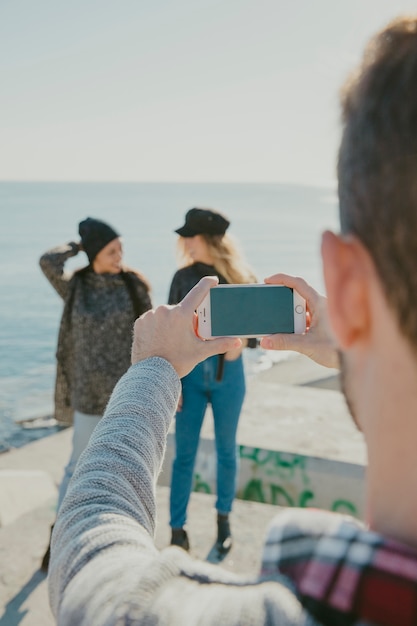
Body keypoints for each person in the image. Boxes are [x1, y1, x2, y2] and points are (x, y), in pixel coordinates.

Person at [48, 15, 417, 625]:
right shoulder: (195, 275)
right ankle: (190, 521)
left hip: (198, 379)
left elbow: (90, 545)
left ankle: (197, 522)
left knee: (200, 452)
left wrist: (151, 371)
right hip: (217, 378)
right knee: (203, 451)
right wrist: (348, 344)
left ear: (348, 288)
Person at [39, 217, 152, 571]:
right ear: (93, 255)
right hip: (88, 395)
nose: (119, 256)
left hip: (127, 393)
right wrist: (77, 246)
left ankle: (127, 543)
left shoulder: (133, 285)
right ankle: (59, 538)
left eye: (120, 249)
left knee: (133, 469)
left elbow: (150, 336)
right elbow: (47, 262)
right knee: (76, 468)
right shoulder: (76, 287)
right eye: (110, 250)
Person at [168, 207, 257, 553]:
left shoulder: (241, 276)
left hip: (229, 376)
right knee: (183, 455)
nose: (185, 243)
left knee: (226, 451)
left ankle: (224, 521)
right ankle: (177, 530)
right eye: (185, 237)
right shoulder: (182, 278)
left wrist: (243, 345)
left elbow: (257, 326)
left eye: (191, 236)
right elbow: (171, 332)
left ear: (209, 239)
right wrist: (171, 380)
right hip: (189, 378)